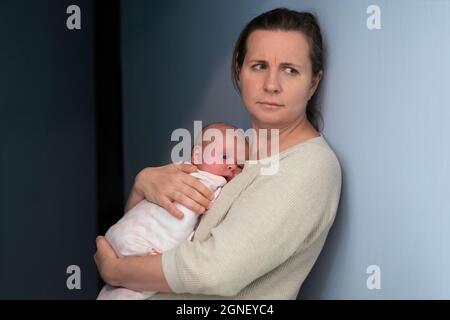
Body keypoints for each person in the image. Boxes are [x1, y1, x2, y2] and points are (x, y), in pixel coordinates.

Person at [94, 7, 342, 299]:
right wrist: (142, 185)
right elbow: (156, 235)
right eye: (259, 66)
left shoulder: (309, 167)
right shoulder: (229, 154)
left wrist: (115, 271)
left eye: (290, 70)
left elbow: (212, 272)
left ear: (313, 82)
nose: (271, 85)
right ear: (239, 71)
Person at [97, 122, 248, 299]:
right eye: (224, 156)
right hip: (134, 237)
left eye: (239, 165)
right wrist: (141, 183)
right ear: (197, 155)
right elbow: (143, 211)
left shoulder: (226, 188)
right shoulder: (178, 173)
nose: (232, 166)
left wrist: (112, 270)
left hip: (130, 254)